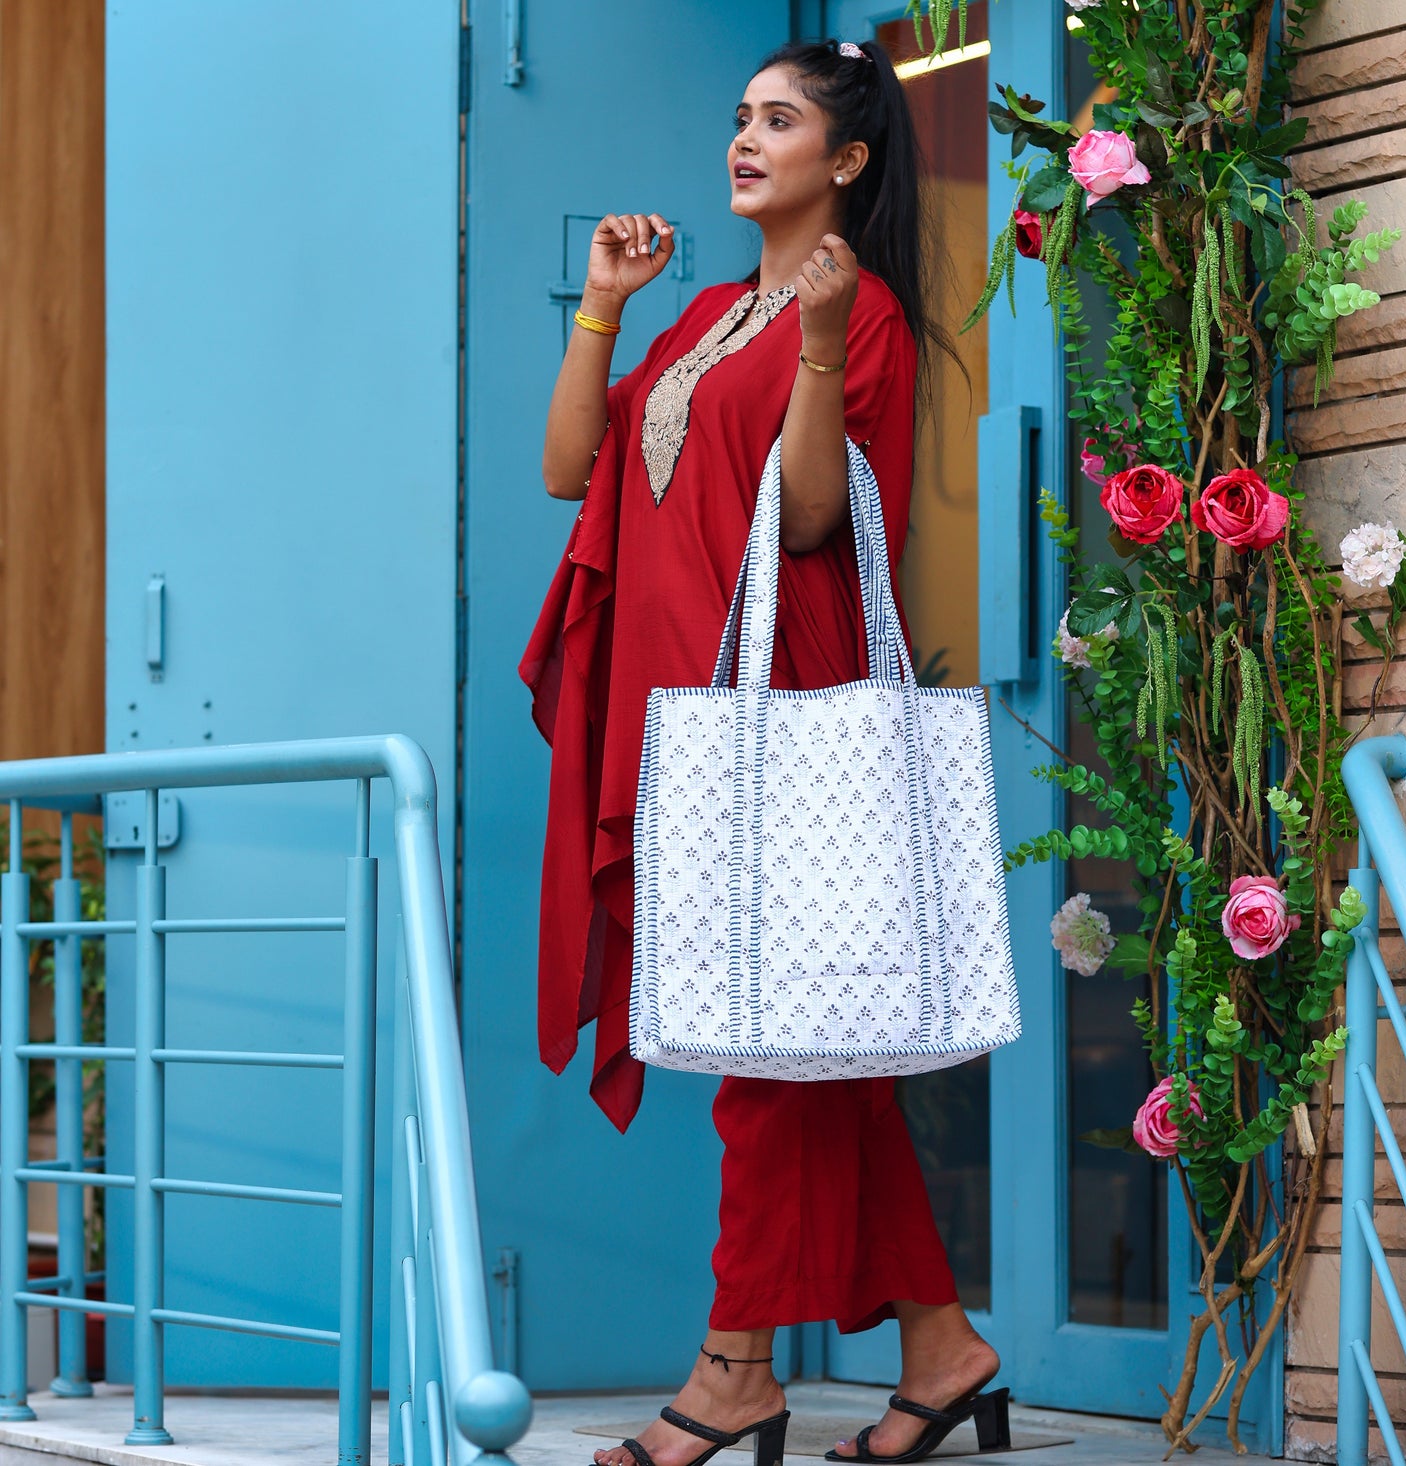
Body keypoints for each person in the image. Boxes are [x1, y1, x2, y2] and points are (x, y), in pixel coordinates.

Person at [520, 37, 1005, 1466]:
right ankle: (942, 1343)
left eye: (778, 121)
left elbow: (806, 522)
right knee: (813, 1050)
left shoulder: (861, 322)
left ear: (845, 163)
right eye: (738, 117)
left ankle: (735, 1369)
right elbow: (569, 468)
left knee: (764, 1052)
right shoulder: (697, 316)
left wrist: (810, 343)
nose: (744, 139)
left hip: (780, 713)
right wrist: (604, 309)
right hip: (684, 718)